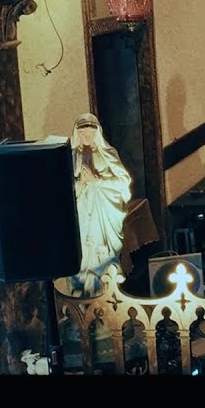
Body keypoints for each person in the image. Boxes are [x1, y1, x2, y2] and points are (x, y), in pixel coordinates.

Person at [69, 113, 132, 297]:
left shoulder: (108, 155)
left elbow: (122, 183)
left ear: (97, 133)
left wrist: (97, 181)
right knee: (83, 252)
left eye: (90, 133)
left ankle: (105, 296)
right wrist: (80, 183)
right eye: (82, 134)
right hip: (81, 211)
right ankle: (82, 297)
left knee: (101, 251)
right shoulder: (71, 156)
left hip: (102, 213)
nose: (86, 137)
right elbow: (61, 189)